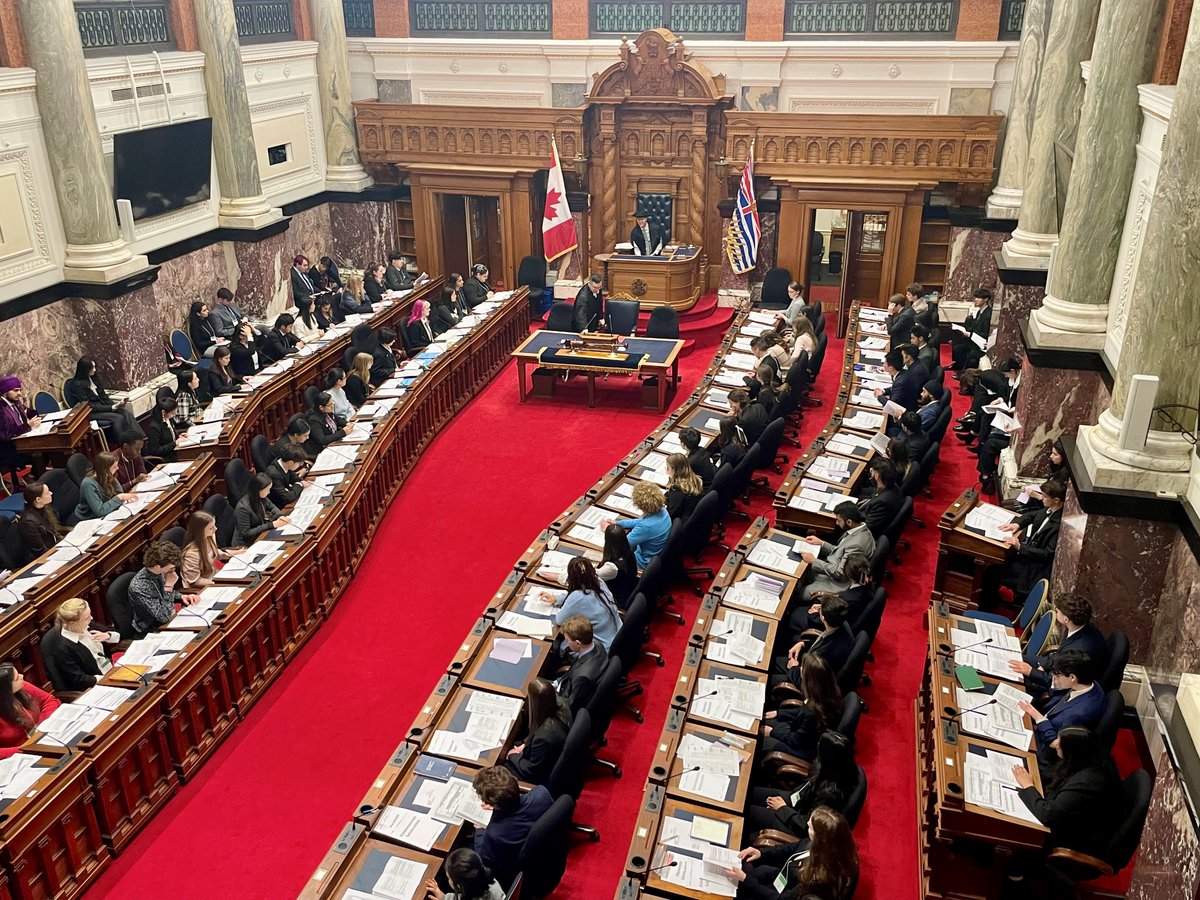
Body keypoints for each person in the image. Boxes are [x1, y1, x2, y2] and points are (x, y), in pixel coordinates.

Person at [1008, 726, 1122, 893]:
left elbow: (1048, 815)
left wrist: (1028, 786)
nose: (1055, 745)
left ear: (1074, 752)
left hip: (1076, 841)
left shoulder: (1088, 783)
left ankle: (1012, 882)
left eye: (1060, 745)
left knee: (1013, 830)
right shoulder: (1089, 759)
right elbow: (1055, 775)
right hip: (1075, 821)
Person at [729, 805, 859, 900]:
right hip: (781, 878)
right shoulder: (827, 845)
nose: (807, 822)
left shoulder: (815, 880)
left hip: (780, 895)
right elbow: (790, 848)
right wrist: (761, 853)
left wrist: (746, 880)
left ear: (821, 838)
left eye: (810, 826)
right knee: (740, 868)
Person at [745, 732, 858, 835]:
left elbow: (806, 825)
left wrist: (783, 809)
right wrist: (786, 802)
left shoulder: (830, 794)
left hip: (795, 823)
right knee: (748, 792)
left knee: (748, 810)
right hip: (795, 802)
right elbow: (803, 791)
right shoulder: (833, 771)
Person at [1009, 593, 1109, 696]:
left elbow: (1059, 682)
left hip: (1059, 685)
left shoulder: (1079, 650)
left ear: (1066, 619)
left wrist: (1030, 671)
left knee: (1011, 678)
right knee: (1012, 658)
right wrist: (1044, 665)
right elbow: (1059, 656)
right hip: (1056, 665)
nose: (1055, 611)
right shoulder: (1081, 626)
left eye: (1057, 611)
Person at [470, 766, 552, 888]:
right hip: (546, 857)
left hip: (510, 874)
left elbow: (483, 861)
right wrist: (497, 809)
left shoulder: (495, 834)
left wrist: (480, 831)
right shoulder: (542, 793)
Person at [1019, 651, 1106, 762]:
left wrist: (1038, 718)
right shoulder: (1088, 684)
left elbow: (1056, 743)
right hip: (1042, 721)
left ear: (1072, 677)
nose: (1053, 678)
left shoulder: (1080, 714)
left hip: (1042, 749)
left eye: (1057, 675)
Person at [761, 654, 844, 761]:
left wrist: (772, 732)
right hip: (803, 735)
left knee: (761, 740)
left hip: (804, 749)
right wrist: (779, 713)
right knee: (766, 720)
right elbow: (802, 712)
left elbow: (797, 740)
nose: (800, 670)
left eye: (802, 670)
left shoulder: (813, 712)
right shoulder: (828, 693)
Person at [993, 479, 1065, 596]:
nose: (1042, 498)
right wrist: (1017, 524)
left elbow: (1047, 554)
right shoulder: (1049, 509)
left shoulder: (1058, 525)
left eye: (1045, 496)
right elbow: (1033, 515)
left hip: (1033, 569)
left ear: (1056, 500)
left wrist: (1020, 547)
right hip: (1027, 556)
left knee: (992, 571)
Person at [800, 502, 875, 601]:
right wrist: (822, 543)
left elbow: (840, 573)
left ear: (849, 522)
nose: (836, 523)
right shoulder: (859, 529)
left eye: (838, 520)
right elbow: (840, 551)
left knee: (799, 592)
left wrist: (814, 561)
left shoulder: (857, 545)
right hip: (831, 568)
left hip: (837, 584)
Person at [504, 678, 572, 785]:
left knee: (498, 767)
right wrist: (525, 744)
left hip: (540, 774)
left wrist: (513, 756)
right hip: (545, 754)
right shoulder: (562, 704)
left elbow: (532, 771)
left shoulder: (543, 738)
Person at [43, 598, 120, 693]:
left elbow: (117, 635)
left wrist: (107, 636)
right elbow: (79, 680)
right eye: (87, 618)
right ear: (73, 623)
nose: (91, 618)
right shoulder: (63, 648)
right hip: (96, 687)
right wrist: (107, 680)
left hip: (111, 671)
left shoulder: (87, 625)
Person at [546, 557, 622, 651]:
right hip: (617, 638)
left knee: (560, 647)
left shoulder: (578, 597)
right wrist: (557, 599)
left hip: (601, 650)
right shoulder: (599, 583)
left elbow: (559, 620)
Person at [775, 594, 854, 685]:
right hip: (807, 665)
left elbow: (806, 682)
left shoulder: (823, 655)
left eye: (820, 609)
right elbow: (822, 640)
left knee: (770, 679)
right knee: (774, 662)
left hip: (807, 681)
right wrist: (802, 644)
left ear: (822, 617)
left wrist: (793, 668)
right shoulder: (842, 623)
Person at [128, 540, 201, 638]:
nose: (172, 571)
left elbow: (163, 594)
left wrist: (182, 596)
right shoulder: (139, 586)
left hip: (169, 618)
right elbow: (164, 616)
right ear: (157, 566)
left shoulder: (158, 572)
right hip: (152, 629)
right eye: (170, 568)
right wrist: (169, 586)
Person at [790, 556, 874, 635]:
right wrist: (821, 606)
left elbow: (828, 620)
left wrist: (816, 613)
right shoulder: (868, 586)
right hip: (839, 617)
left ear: (848, 575)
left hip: (827, 625)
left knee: (795, 614)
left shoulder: (847, 600)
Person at [0, 664, 61, 759]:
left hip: (48, 736)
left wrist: (43, 726)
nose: (22, 676)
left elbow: (48, 700)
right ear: (5, 689)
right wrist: (26, 750)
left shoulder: (22, 685)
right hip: (23, 756)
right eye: (17, 678)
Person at [65, 357, 140, 434]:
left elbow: (103, 395)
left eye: (94, 367)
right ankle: (124, 442)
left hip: (102, 407)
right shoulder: (77, 385)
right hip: (91, 412)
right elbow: (88, 405)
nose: (94, 370)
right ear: (85, 369)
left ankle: (140, 438)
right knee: (118, 418)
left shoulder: (94, 378)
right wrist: (111, 408)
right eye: (92, 368)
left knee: (125, 412)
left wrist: (115, 405)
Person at [606, 482, 671, 569]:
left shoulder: (645, 527)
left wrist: (610, 530)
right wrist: (619, 523)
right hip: (657, 555)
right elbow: (640, 521)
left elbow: (622, 545)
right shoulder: (662, 510)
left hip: (643, 562)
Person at [554, 615, 608, 713]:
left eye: (567, 640)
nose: (566, 643)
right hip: (565, 684)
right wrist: (556, 683)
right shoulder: (598, 646)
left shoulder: (582, 677)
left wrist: (549, 696)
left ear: (578, 643)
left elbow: (569, 706)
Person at [0, 375, 40, 488]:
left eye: (20, 390)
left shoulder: (15, 402)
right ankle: (36, 484)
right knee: (40, 452)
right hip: (7, 450)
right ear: (4, 392)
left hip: (21, 443)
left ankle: (37, 477)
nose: (19, 393)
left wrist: (36, 415)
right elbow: (6, 435)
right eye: (15, 390)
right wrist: (28, 425)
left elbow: (26, 412)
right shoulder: (1, 409)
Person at [180, 510, 238, 589]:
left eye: (214, 525)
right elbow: (194, 581)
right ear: (200, 531)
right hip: (201, 588)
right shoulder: (191, 554)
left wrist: (234, 554)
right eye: (211, 528)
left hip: (214, 576)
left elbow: (215, 553)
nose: (216, 529)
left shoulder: (209, 537)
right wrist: (216, 582)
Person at [75, 451, 136, 520]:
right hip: (88, 518)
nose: (117, 468)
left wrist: (120, 497)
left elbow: (119, 493)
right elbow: (100, 511)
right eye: (114, 467)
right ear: (104, 470)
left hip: (107, 513)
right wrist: (119, 497)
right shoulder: (88, 484)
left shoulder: (108, 475)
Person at [424, 848, 505, 900]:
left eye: (449, 878)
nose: (448, 880)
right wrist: (443, 897)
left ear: (459, 886)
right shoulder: (490, 881)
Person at [234, 473, 290, 547]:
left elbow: (271, 506)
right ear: (258, 490)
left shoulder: (260, 497)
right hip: (246, 544)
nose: (269, 492)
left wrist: (280, 516)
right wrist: (271, 525)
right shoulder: (243, 508)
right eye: (267, 490)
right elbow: (246, 533)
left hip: (260, 534)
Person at [17, 480, 67, 556]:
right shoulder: (28, 522)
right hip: (46, 557)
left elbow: (56, 530)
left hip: (56, 546)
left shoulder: (44, 507)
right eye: (47, 493)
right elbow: (41, 551)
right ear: (38, 499)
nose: (51, 493)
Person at [949, 287, 994, 372]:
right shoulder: (979, 312)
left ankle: (963, 373)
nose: (976, 300)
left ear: (986, 299)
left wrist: (970, 334)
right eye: (975, 298)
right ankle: (957, 366)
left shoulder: (988, 315)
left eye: (978, 298)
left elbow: (985, 333)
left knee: (968, 353)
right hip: (973, 339)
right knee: (957, 344)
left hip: (980, 344)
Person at [859, 458, 903, 537]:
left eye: (872, 470)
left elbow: (868, 526)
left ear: (877, 476)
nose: (870, 471)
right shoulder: (893, 486)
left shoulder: (882, 502)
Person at [304, 392, 347, 457]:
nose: (332, 406)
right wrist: (343, 432)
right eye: (330, 405)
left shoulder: (327, 412)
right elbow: (322, 440)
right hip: (322, 450)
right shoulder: (313, 420)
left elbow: (338, 420)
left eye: (333, 403)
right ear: (321, 407)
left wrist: (348, 423)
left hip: (334, 443)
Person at [663, 453, 703, 520]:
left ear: (674, 470)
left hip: (682, 523)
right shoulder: (695, 479)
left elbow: (671, 515)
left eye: (668, 468)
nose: (667, 471)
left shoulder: (677, 490)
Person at [144, 397, 180, 462]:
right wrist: (174, 443)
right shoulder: (154, 427)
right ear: (163, 412)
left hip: (175, 451)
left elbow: (172, 435)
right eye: (173, 413)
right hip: (167, 457)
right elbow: (156, 450)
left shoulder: (168, 418)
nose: (174, 415)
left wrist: (179, 437)